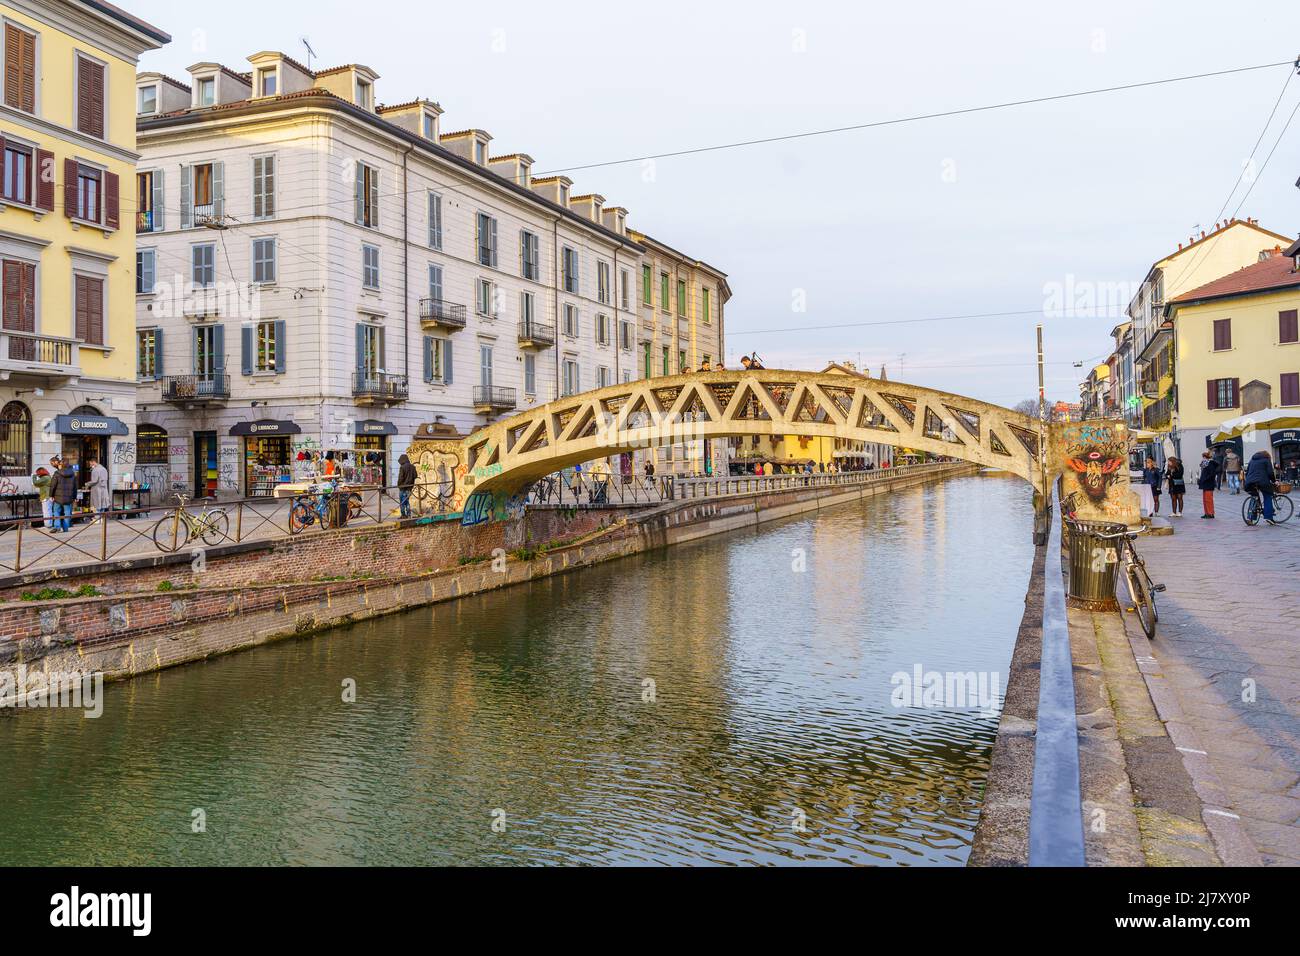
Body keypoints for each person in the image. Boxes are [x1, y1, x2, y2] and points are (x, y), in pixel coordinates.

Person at [1243, 449, 1278, 525]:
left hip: (1250, 482)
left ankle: (1250, 518)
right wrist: (1274, 481)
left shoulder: (1252, 460)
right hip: (1263, 482)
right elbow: (1270, 472)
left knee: (1254, 497)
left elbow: (1247, 471)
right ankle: (1269, 517)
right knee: (1267, 496)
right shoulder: (1266, 459)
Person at [48, 458, 78, 532]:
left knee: (56, 512)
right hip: (68, 497)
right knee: (67, 512)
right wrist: (74, 497)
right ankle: (65, 528)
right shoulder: (72, 474)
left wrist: (51, 495)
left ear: (61, 465)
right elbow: (75, 487)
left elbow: (53, 485)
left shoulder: (57, 473)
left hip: (58, 497)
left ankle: (57, 526)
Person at [32, 459, 56, 529]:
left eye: (38, 473)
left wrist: (33, 476)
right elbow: (38, 485)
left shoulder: (45, 478)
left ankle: (48, 525)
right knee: (48, 511)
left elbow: (35, 483)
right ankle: (49, 524)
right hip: (48, 496)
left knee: (46, 511)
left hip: (46, 497)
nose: (38, 475)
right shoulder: (47, 477)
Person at [1195, 451, 1219, 519]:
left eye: (1203, 457)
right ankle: (1206, 513)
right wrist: (1201, 480)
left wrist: (1205, 479)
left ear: (1206, 457)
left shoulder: (1210, 464)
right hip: (1205, 484)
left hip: (1209, 484)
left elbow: (1212, 474)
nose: (1202, 459)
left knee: (1209, 500)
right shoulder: (1205, 464)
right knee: (1205, 500)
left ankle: (1210, 513)